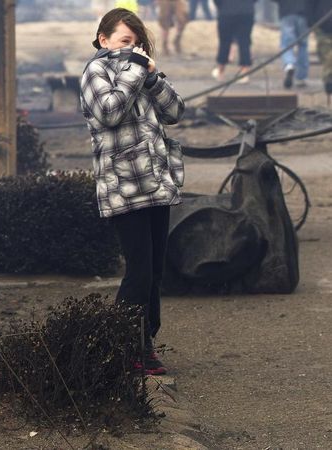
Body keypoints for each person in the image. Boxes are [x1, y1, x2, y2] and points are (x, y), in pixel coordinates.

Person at [80, 8, 185, 376]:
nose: (133, 49)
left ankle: (145, 343)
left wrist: (154, 78)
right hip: (124, 188)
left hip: (156, 185)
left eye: (137, 43)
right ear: (103, 39)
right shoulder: (96, 72)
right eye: (125, 42)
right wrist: (136, 71)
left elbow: (175, 112)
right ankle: (122, 346)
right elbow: (109, 112)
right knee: (138, 271)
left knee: (155, 272)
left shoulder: (142, 73)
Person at [211, 0, 257, 83]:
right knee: (244, 41)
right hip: (246, 11)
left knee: (224, 42)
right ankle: (244, 72)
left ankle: (221, 71)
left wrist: (221, 6)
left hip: (226, 10)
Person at [273, 0, 310, 88]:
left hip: (287, 12)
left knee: (287, 44)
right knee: (303, 45)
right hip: (304, 13)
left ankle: (289, 64)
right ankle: (301, 77)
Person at [310, 0, 332, 102]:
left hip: (322, 23)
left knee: (327, 55)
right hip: (322, 24)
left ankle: (328, 79)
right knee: (326, 55)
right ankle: (328, 80)